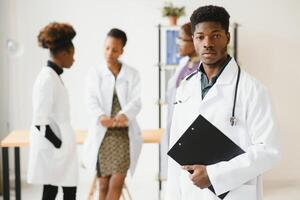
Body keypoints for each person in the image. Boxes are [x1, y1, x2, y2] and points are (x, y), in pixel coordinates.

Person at [165, 5, 280, 200]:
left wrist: (213, 175)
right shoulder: (185, 87)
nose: (207, 43)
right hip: (189, 193)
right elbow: (176, 151)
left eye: (215, 35)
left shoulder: (252, 89)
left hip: (233, 194)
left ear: (227, 37)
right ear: (193, 39)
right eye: (200, 36)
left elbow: (268, 151)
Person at [83, 28, 142, 200]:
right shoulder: (95, 72)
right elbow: (90, 100)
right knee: (103, 185)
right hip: (103, 135)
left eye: (115, 49)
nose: (109, 52)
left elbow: (136, 101)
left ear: (122, 50)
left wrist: (124, 115)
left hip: (123, 135)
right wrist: (101, 117)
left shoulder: (132, 74)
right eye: (107, 48)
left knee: (116, 183)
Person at [27, 22, 78, 200]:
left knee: (58, 188)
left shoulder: (53, 76)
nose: (74, 59)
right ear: (64, 53)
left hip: (60, 145)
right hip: (53, 147)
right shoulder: (47, 78)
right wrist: (59, 145)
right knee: (56, 190)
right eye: (72, 55)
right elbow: (40, 120)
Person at [161, 22, 200, 179]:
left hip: (191, 133)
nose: (177, 44)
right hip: (176, 127)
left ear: (193, 41)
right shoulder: (185, 64)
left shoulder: (200, 67)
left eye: (181, 39)